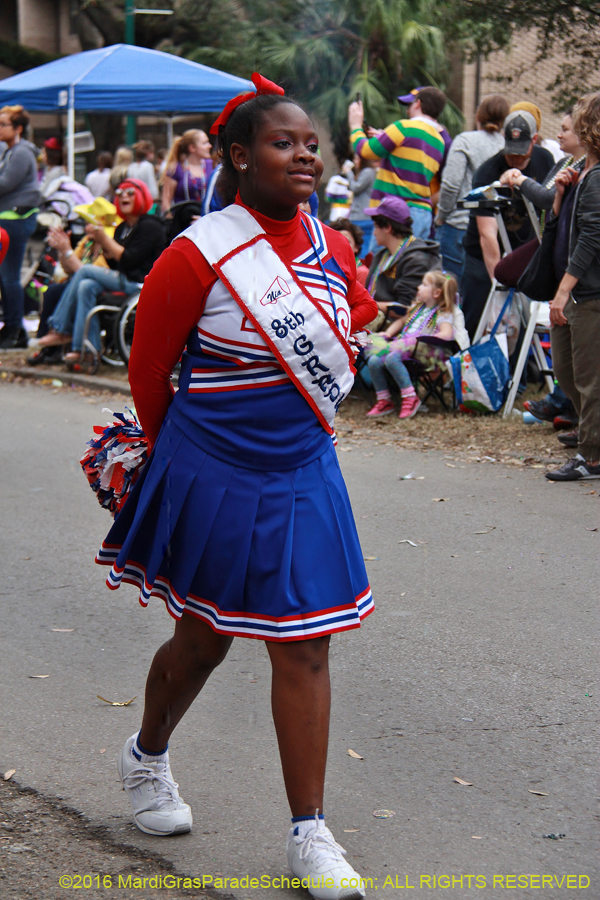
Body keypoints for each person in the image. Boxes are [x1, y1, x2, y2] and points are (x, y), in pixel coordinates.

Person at [93, 74, 376, 899]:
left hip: (302, 468)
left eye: (311, 145)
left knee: (306, 640)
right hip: (211, 465)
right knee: (205, 638)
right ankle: (146, 758)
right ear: (237, 156)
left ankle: (309, 833)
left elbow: (349, 318)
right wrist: (166, 462)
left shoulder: (334, 245)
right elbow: (150, 369)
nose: (304, 157)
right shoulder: (197, 252)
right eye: (283, 144)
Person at [38, 178, 165, 362]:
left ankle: (60, 327)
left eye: (130, 192)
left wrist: (104, 239)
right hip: (123, 278)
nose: (124, 196)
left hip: (140, 283)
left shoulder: (151, 226)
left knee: (85, 271)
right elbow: (115, 263)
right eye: (120, 193)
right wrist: (100, 242)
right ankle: (89, 350)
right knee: (86, 286)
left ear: (142, 196)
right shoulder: (123, 227)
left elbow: (129, 259)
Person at [545, 92, 600, 481]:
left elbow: (592, 237)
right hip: (577, 290)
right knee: (565, 369)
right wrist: (561, 195)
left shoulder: (597, 178)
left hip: (589, 292)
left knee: (588, 377)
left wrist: (564, 290)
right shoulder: (582, 173)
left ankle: (592, 457)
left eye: (578, 119)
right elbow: (563, 228)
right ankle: (591, 434)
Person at [461, 109, 554, 340]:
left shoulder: (545, 160)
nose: (517, 160)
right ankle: (470, 370)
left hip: (523, 249)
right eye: (512, 154)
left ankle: (518, 373)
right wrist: (499, 283)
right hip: (483, 254)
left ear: (534, 140)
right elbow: (487, 235)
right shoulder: (487, 171)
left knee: (519, 321)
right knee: (479, 316)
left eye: (522, 155)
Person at [348, 86, 447, 240]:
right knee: (413, 263)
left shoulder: (404, 127)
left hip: (395, 215)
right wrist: (385, 138)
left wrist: (355, 126)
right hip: (423, 214)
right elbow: (413, 165)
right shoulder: (439, 141)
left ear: (418, 104)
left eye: (409, 106)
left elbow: (365, 150)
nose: (408, 111)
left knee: (383, 263)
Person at [435, 95, 509, 282]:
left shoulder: (465, 141)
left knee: (451, 293)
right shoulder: (507, 146)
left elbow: (451, 184)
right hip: (495, 231)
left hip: (459, 225)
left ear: (478, 116)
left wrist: (442, 216)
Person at [365, 270, 458, 419]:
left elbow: (447, 334)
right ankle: (384, 399)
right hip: (403, 346)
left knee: (391, 358)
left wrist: (424, 337)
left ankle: (410, 397)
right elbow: (401, 321)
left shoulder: (442, 313)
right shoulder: (416, 310)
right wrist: (388, 333)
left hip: (423, 351)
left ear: (436, 293)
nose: (419, 287)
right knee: (374, 360)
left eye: (424, 285)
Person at [363, 195, 441, 325]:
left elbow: (406, 309)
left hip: (396, 330)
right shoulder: (382, 254)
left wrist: (366, 306)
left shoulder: (416, 259)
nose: (374, 233)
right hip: (376, 320)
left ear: (388, 227)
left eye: (376, 227)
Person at [0, 105, 41, 349]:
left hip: (16, 220)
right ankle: (11, 327)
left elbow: (5, 184)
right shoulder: (11, 151)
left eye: (3, 124)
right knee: (5, 277)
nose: (0, 128)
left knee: (10, 276)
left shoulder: (22, 152)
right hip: (9, 220)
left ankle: (17, 331)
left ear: (18, 128)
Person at [160, 129, 212, 213]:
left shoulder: (211, 165)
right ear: (192, 148)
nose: (209, 146)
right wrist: (171, 219)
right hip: (184, 221)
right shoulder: (175, 169)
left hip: (208, 219)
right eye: (204, 143)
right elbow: (166, 201)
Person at [344, 154, 376, 251]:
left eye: (357, 159)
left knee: (362, 244)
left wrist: (349, 173)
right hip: (357, 215)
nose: (355, 162)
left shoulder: (368, 172)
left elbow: (356, 187)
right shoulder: (364, 172)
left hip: (362, 216)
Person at [327, 217, 369, 286]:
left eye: (347, 241)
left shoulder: (361, 272)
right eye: (337, 241)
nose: (341, 245)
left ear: (356, 247)